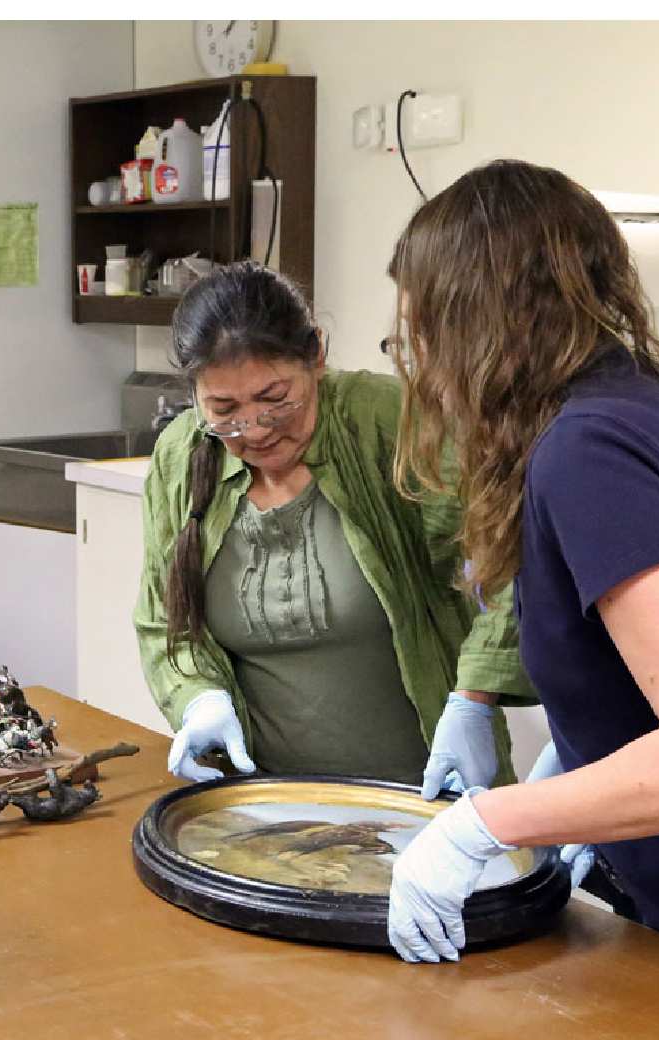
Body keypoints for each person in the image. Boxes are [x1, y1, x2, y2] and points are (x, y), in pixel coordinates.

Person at [378, 160, 659, 996]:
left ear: (475, 325)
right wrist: (580, 773)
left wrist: (486, 824)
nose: (425, 371)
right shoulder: (640, 402)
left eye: (421, 335)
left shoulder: (588, 452)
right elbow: (657, 665)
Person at [135, 262, 532, 792]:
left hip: (425, 789)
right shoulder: (182, 456)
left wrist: (473, 700)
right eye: (224, 410)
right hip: (264, 803)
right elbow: (164, 619)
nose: (254, 430)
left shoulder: (390, 422)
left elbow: (507, 565)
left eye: (276, 400)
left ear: (316, 355)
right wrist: (196, 697)